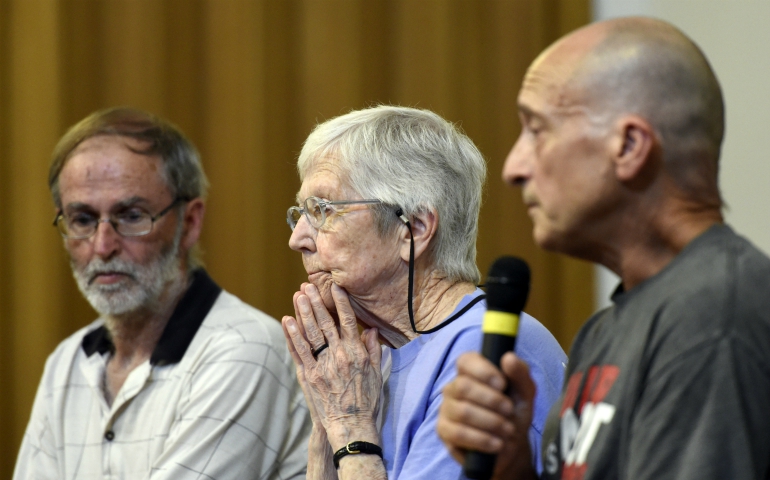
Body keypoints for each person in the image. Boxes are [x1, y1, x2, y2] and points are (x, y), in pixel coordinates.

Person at [436, 16, 770, 480]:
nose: (513, 167)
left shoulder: (713, 315)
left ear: (629, 146)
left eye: (537, 130)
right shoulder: (605, 330)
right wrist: (512, 469)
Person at [14, 107, 311, 480]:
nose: (103, 246)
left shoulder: (246, 348)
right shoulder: (66, 362)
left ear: (189, 222)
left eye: (132, 216)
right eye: (83, 220)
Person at [280, 105, 567, 479]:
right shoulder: (365, 364)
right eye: (300, 213)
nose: (297, 239)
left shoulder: (487, 349)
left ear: (413, 228)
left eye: (321, 210)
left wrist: (349, 428)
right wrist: (326, 426)